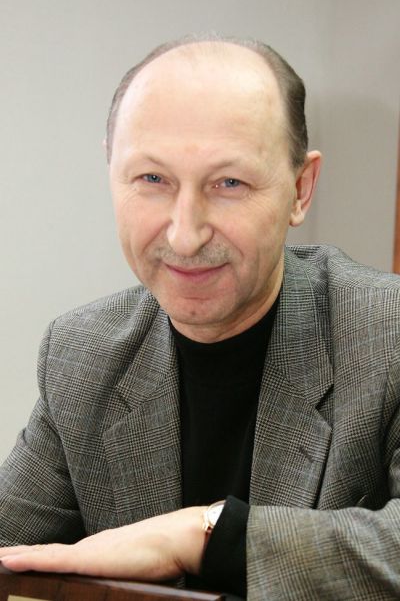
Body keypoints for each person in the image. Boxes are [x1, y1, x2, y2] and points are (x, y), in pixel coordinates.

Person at [1, 33, 400, 601]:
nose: (185, 235)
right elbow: (11, 547)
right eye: (152, 180)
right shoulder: (82, 354)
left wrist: (203, 535)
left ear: (300, 189)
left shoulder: (387, 332)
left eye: (229, 183)